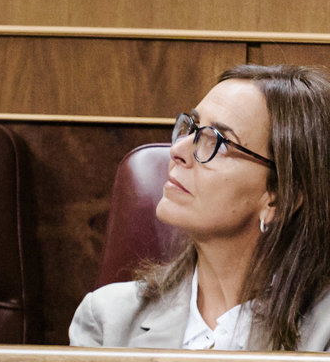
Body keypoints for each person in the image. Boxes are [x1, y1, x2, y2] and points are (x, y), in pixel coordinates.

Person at [71, 64, 330, 351]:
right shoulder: (107, 321)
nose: (177, 151)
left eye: (218, 141)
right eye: (191, 128)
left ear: (279, 198)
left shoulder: (324, 334)